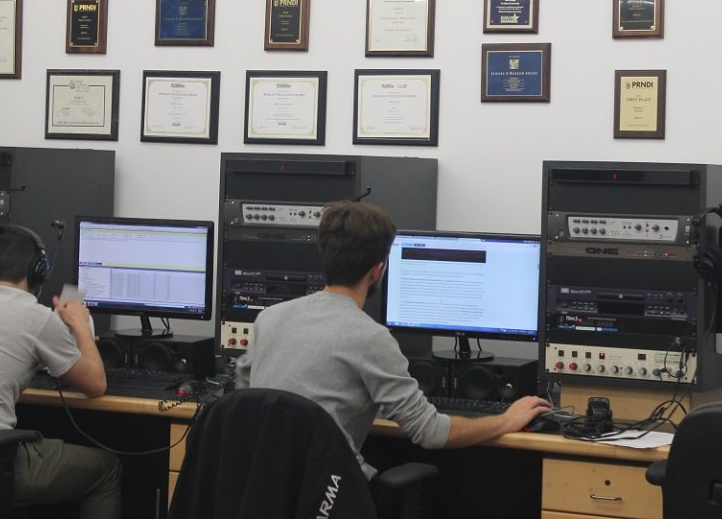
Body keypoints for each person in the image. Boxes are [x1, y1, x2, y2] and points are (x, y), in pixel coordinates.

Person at [235, 201, 552, 478]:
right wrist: (506, 419)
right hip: (329, 493)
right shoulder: (370, 338)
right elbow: (429, 432)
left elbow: (243, 395)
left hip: (259, 487)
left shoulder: (269, 318)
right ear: (378, 271)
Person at [0, 224, 121, 519]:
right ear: (38, 271)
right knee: (105, 470)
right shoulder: (35, 317)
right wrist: (79, 326)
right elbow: (95, 385)